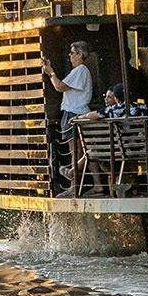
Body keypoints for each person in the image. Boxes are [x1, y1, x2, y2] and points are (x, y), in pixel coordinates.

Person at [41, 41, 94, 193]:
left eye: (72, 53)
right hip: (77, 112)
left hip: (74, 113)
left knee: (75, 151)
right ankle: (88, 183)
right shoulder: (79, 71)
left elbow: (59, 86)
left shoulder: (80, 70)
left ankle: (74, 186)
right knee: (83, 150)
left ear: (79, 54)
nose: (70, 56)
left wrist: (51, 72)